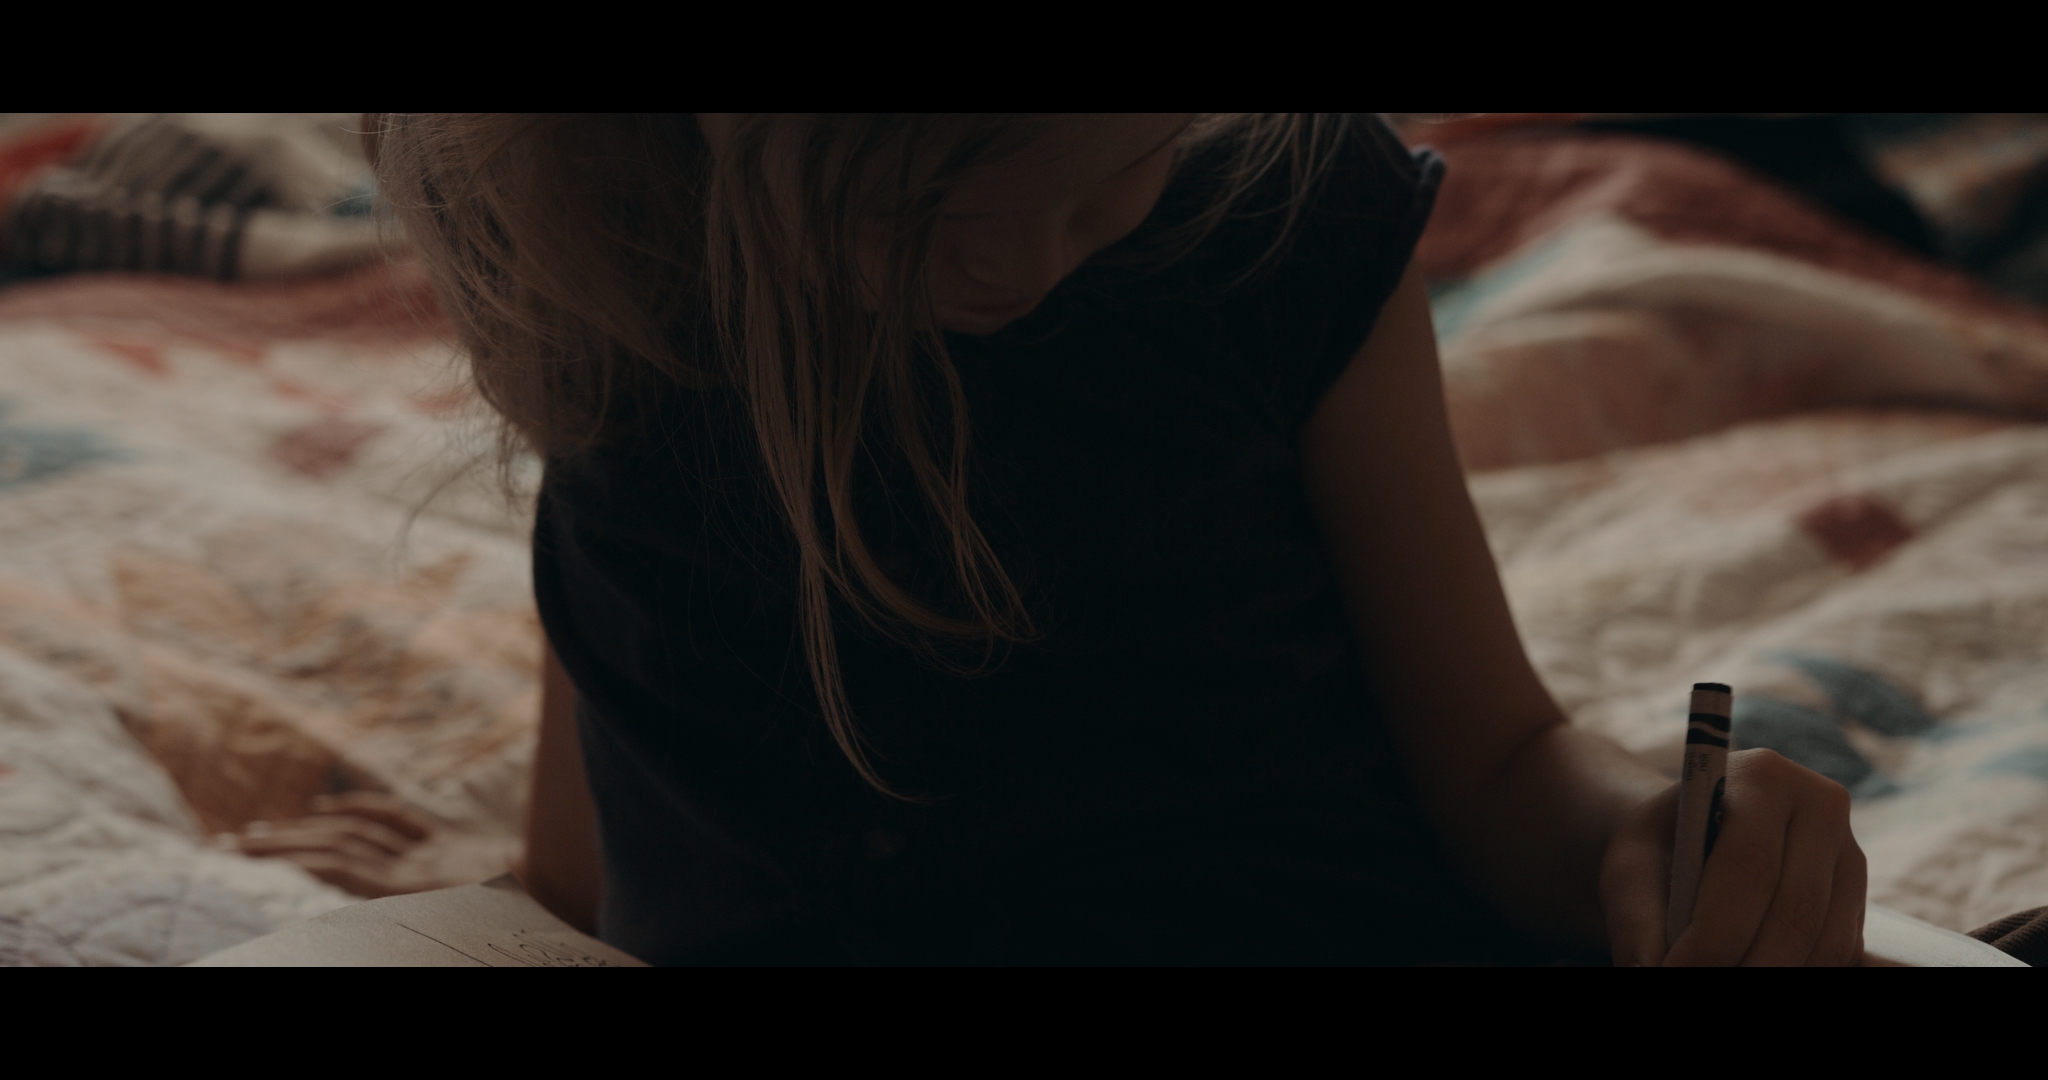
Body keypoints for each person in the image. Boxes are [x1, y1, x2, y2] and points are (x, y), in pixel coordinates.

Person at [254, 113, 1867, 965]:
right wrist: (477, 915)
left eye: (1111, 183)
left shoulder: (1282, 223)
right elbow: (611, 820)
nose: (1024, 265)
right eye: (924, 207)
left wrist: (1644, 835)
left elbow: (1504, 767)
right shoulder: (615, 284)